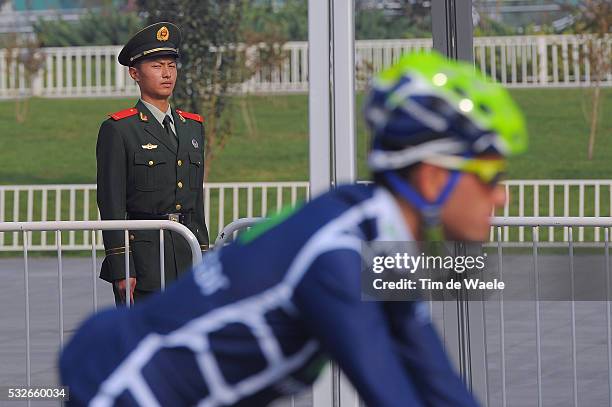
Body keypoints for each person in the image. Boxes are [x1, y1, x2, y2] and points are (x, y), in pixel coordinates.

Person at [60, 51, 527, 406]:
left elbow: (431, 372)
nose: (502, 196)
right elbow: (389, 390)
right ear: (432, 178)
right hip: (122, 389)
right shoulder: (336, 253)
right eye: (491, 177)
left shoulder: (369, 229)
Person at [96, 22, 209, 305]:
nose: (167, 73)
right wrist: (122, 267)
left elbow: (196, 202)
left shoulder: (191, 127)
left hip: (187, 255)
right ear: (135, 73)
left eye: (171, 65)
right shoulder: (120, 129)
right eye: (157, 66)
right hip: (145, 261)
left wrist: (204, 256)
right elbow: (111, 204)